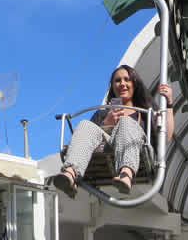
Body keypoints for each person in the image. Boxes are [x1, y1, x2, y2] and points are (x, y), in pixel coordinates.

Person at [53, 64, 174, 198]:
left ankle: (126, 174)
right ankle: (70, 173)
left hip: (133, 144)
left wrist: (169, 104)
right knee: (85, 124)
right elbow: (90, 137)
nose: (122, 84)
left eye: (127, 79)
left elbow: (165, 138)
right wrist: (107, 123)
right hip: (105, 145)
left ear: (135, 84)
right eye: (117, 81)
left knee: (126, 122)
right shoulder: (103, 114)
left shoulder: (145, 114)